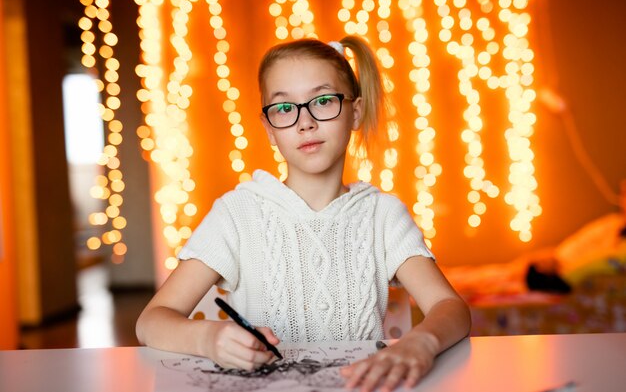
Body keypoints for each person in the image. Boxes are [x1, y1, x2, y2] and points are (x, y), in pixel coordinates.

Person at [136, 35, 471, 392]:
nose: (304, 122)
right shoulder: (237, 214)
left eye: (323, 101)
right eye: (284, 108)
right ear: (268, 129)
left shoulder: (382, 215)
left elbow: (452, 308)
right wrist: (208, 339)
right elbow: (151, 322)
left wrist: (422, 342)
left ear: (355, 112)